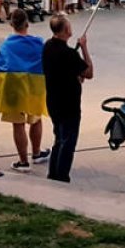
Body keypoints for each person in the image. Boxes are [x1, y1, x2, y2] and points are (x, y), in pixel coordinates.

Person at [0, 10, 48, 172]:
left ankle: (23, 161)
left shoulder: (6, 45)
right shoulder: (38, 43)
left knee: (18, 124)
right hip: (34, 86)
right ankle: (36, 153)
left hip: (14, 88)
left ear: (11, 24)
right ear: (27, 24)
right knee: (36, 119)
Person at [42, 14, 93, 182]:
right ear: (66, 30)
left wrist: (76, 75)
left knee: (59, 138)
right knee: (68, 141)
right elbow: (89, 72)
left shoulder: (48, 46)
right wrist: (84, 48)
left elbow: (65, 70)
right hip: (68, 103)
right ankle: (61, 175)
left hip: (53, 100)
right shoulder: (69, 54)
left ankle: (53, 173)